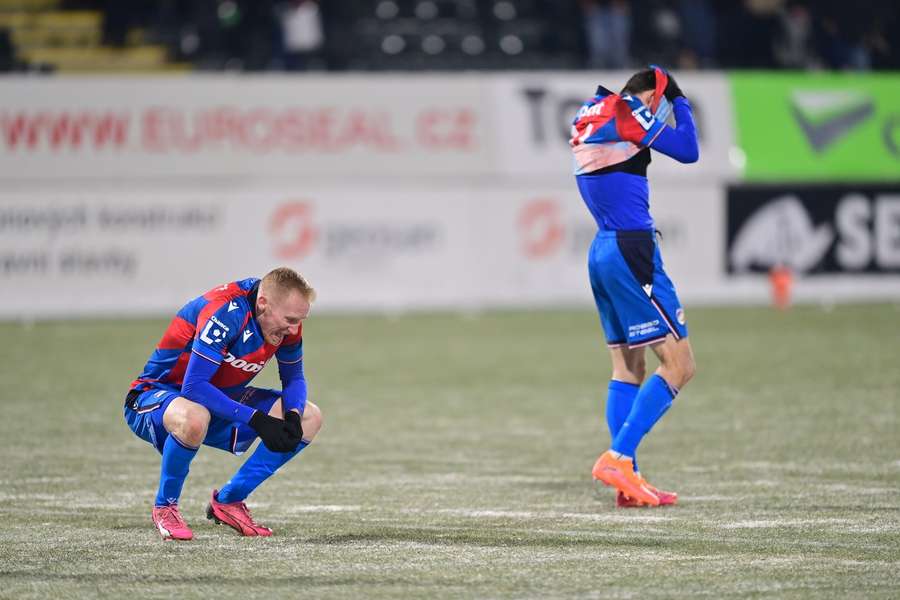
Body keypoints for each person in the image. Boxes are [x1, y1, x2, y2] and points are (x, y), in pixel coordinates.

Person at [569, 67, 698, 507]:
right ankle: (619, 457)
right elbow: (688, 150)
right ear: (651, 96)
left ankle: (628, 478)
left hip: (602, 248)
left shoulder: (593, 110)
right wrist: (679, 100)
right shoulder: (627, 110)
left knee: (628, 369)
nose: (657, 115)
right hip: (631, 248)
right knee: (680, 365)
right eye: (658, 104)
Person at [124, 267, 323, 539]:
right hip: (156, 396)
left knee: (309, 418)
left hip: (216, 399)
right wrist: (257, 420)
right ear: (263, 303)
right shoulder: (226, 313)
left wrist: (291, 415)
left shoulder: (285, 324)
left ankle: (229, 501)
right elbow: (193, 387)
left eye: (299, 320)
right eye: (289, 319)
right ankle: (165, 506)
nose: (293, 328)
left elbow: (294, 378)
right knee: (195, 417)